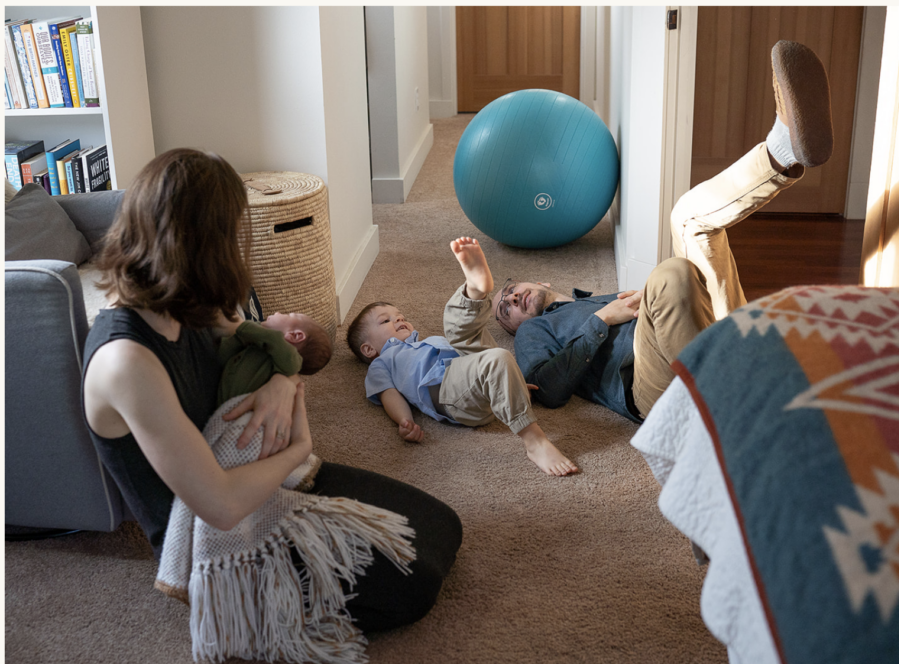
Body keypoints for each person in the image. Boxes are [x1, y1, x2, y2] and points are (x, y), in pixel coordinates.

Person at [82, 148, 462, 635]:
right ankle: (245, 608)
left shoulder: (185, 298)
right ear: (200, 243)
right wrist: (299, 448)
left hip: (257, 477)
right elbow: (217, 505)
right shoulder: (126, 360)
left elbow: (269, 346)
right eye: (232, 234)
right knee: (413, 582)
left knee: (439, 525)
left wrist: (284, 382)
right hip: (212, 534)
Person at [493, 40, 833, 421]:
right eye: (504, 311)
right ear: (514, 329)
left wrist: (655, 303)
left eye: (509, 291)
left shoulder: (592, 296)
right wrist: (603, 319)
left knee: (687, 220)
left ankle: (782, 151)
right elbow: (549, 391)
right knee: (670, 273)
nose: (510, 301)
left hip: (705, 346)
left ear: (537, 280)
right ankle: (736, 404)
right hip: (648, 385)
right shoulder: (534, 332)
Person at [347, 237, 578, 477]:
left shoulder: (425, 342)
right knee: (494, 355)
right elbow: (389, 395)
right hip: (448, 393)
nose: (399, 320)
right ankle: (535, 442)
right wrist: (404, 421)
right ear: (368, 350)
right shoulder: (383, 362)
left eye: (401, 316)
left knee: (466, 337)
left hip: (468, 378)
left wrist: (513, 383)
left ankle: (475, 290)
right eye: (386, 321)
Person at [217, 310, 333, 406]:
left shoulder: (291, 361)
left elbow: (274, 338)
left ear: (294, 335)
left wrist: (241, 325)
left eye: (288, 315)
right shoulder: (266, 348)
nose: (278, 312)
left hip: (237, 410)